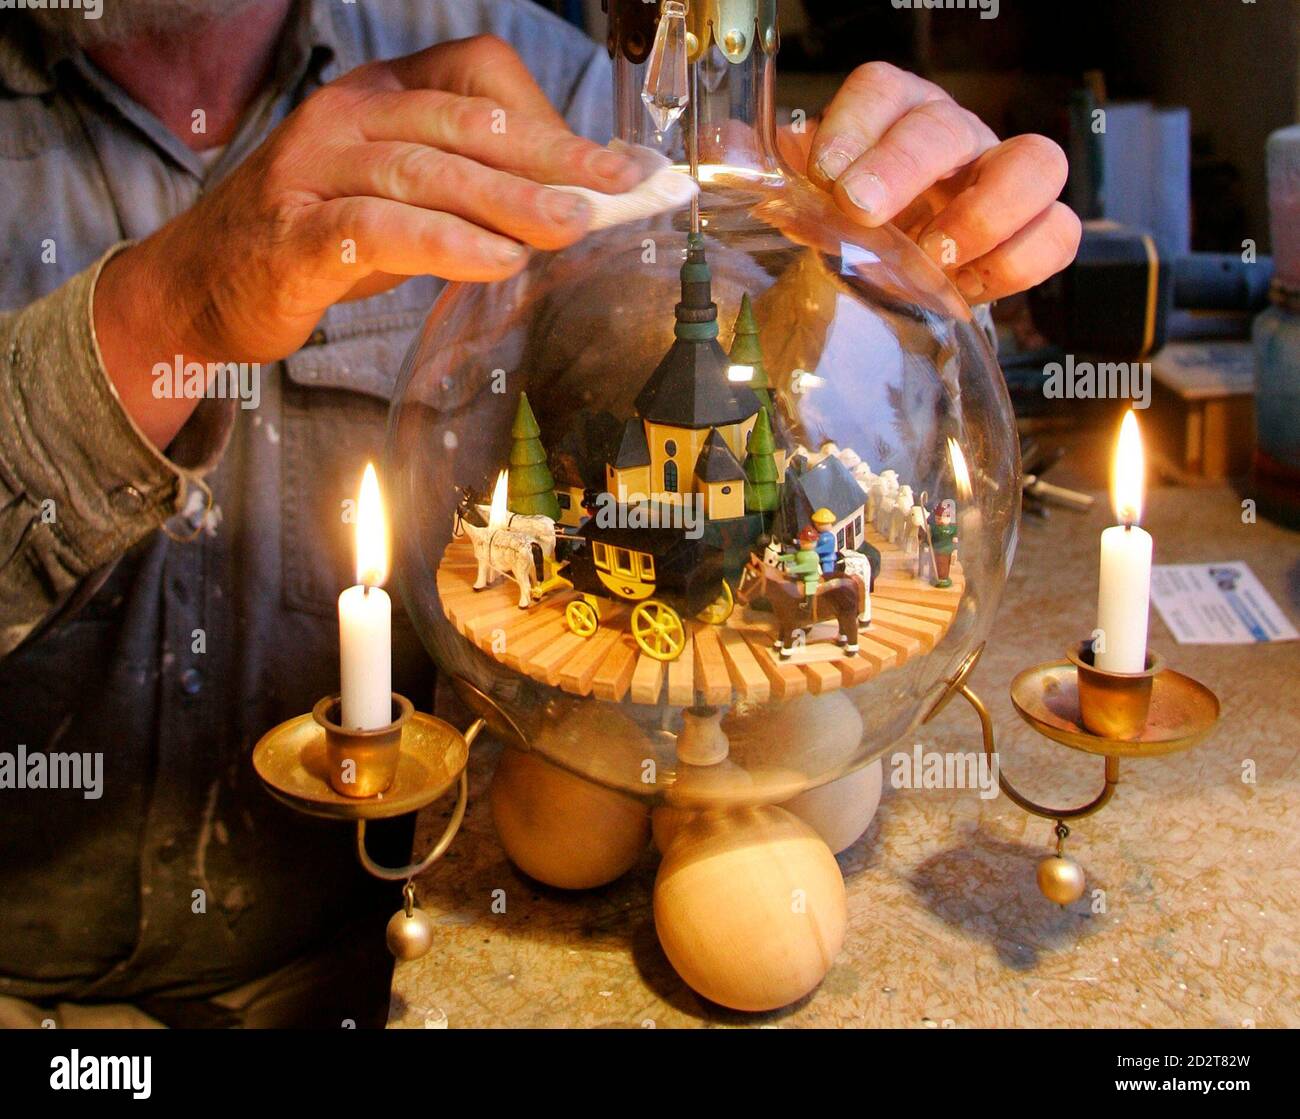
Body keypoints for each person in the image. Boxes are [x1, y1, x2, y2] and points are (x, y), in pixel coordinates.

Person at [0, 0, 1079, 1027]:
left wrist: (885, 267)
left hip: (367, 964)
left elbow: (714, 352)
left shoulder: (538, 85)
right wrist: (167, 310)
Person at [810, 508, 839, 574]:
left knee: (827, 572)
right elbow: (810, 541)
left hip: (827, 559)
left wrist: (815, 550)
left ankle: (828, 579)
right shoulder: (819, 535)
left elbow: (827, 548)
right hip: (818, 558)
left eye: (821, 524)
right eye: (817, 524)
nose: (817, 526)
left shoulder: (830, 537)